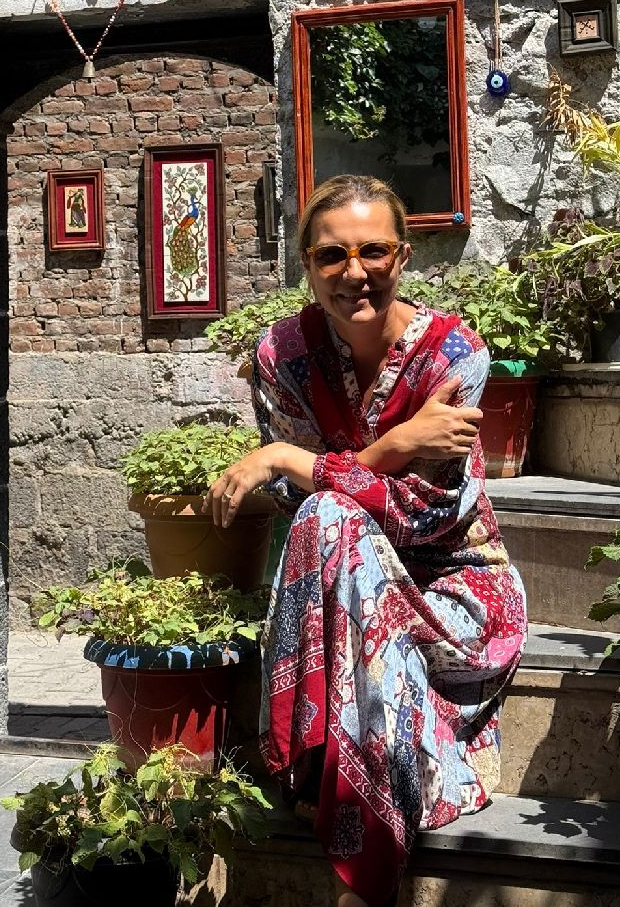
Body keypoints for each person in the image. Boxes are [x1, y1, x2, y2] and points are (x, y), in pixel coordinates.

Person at [203, 175, 527, 907]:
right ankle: (365, 822)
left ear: (403, 255)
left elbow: (428, 511)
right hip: (338, 587)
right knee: (330, 520)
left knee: (334, 516)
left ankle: (360, 844)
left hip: (454, 587)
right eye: (332, 255)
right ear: (308, 266)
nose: (355, 271)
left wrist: (298, 458)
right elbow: (308, 504)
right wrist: (397, 444)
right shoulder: (282, 356)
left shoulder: (454, 355)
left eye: (374, 249)